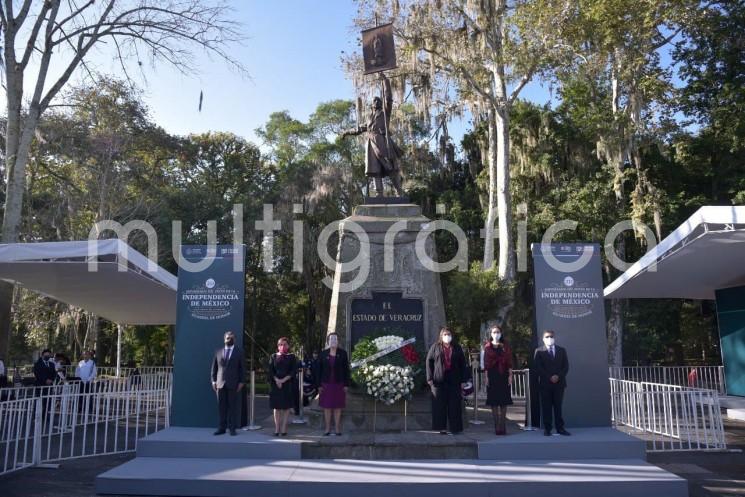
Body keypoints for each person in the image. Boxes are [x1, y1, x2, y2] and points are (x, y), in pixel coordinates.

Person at [342, 72, 405, 197]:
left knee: (390, 167)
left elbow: (388, 98)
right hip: (371, 145)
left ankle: (399, 191)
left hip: (383, 141)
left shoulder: (385, 113)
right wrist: (346, 132)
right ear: (371, 105)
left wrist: (385, 81)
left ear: (381, 103)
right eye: (374, 100)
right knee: (375, 169)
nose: (376, 101)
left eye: (378, 100)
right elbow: (359, 129)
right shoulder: (370, 119)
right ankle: (379, 193)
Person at [426, 327, 471, 435]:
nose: (447, 336)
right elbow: (429, 361)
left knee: (454, 405)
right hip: (439, 380)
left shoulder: (457, 347)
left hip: (454, 379)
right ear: (441, 336)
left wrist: (463, 380)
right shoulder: (435, 347)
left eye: (449, 334)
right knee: (439, 405)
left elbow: (462, 364)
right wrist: (429, 378)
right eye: (445, 334)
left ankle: (455, 428)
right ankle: (441, 428)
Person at [534, 330, 571, 436]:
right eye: (547, 336)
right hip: (545, 384)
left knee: (558, 406)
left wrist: (558, 376)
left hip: (559, 383)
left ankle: (560, 428)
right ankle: (547, 429)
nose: (549, 338)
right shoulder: (539, 351)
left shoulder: (562, 350)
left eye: (551, 336)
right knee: (546, 407)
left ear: (554, 338)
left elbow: (566, 366)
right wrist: (549, 377)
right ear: (543, 338)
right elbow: (538, 367)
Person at [316, 333, 350, 436]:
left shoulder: (343, 353)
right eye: (331, 339)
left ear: (338, 341)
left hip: (339, 384)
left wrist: (346, 384)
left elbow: (346, 370)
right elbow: (318, 370)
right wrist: (319, 385)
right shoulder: (323, 354)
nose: (333, 341)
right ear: (328, 341)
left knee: (337, 407)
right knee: (327, 407)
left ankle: (337, 429)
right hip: (326, 385)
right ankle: (327, 429)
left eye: (335, 339)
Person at [211, 331, 244, 436]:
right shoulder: (218, 351)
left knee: (232, 407)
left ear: (235, 339)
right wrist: (213, 381)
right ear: (224, 339)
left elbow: (242, 369)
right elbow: (214, 368)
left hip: (233, 383)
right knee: (222, 407)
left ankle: (232, 428)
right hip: (220, 384)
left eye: (231, 338)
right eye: (227, 338)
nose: (229, 339)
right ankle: (222, 428)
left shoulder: (239, 352)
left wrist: (241, 382)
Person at [481, 325, 513, 435]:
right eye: (494, 332)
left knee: (504, 402)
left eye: (498, 332)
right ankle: (496, 426)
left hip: (503, 374)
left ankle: (503, 426)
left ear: (501, 333)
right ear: (491, 334)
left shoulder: (506, 346)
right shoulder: (487, 347)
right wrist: (486, 378)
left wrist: (510, 376)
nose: (496, 334)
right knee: (494, 402)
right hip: (492, 375)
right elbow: (486, 364)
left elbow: (509, 362)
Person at [268, 337, 298, 436]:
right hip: (275, 385)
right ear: (278, 346)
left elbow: (293, 371)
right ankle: (277, 428)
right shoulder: (273, 356)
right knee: (276, 407)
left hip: (287, 384)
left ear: (288, 346)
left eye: (284, 344)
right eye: (280, 344)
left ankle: (284, 428)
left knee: (286, 407)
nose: (282, 346)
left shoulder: (292, 357)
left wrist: (283, 380)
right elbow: (271, 371)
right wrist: (277, 380)